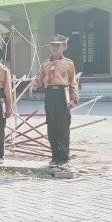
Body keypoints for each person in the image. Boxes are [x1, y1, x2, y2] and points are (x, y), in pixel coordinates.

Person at [30, 34, 79, 170]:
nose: (55, 48)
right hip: (50, 94)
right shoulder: (45, 63)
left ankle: (64, 158)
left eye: (58, 46)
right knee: (51, 126)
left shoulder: (68, 63)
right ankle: (55, 156)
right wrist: (33, 85)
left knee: (63, 126)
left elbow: (73, 82)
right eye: (53, 46)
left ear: (64, 47)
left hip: (62, 93)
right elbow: (39, 78)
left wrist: (74, 98)